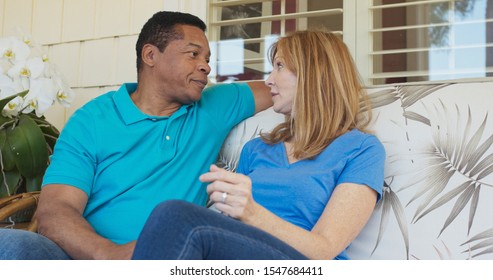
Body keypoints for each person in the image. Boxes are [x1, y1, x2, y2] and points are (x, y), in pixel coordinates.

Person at [0, 11, 271, 260]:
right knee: (10, 244)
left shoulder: (214, 105)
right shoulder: (92, 120)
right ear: (150, 55)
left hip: (165, 259)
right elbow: (55, 211)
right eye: (193, 54)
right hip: (80, 257)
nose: (206, 67)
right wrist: (110, 255)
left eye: (208, 59)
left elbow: (285, 86)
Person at [131, 29, 386, 260]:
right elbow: (229, 230)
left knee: (173, 216)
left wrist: (252, 213)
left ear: (313, 74)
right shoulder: (257, 149)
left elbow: (324, 249)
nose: (269, 80)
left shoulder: (361, 150)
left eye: (279, 66)